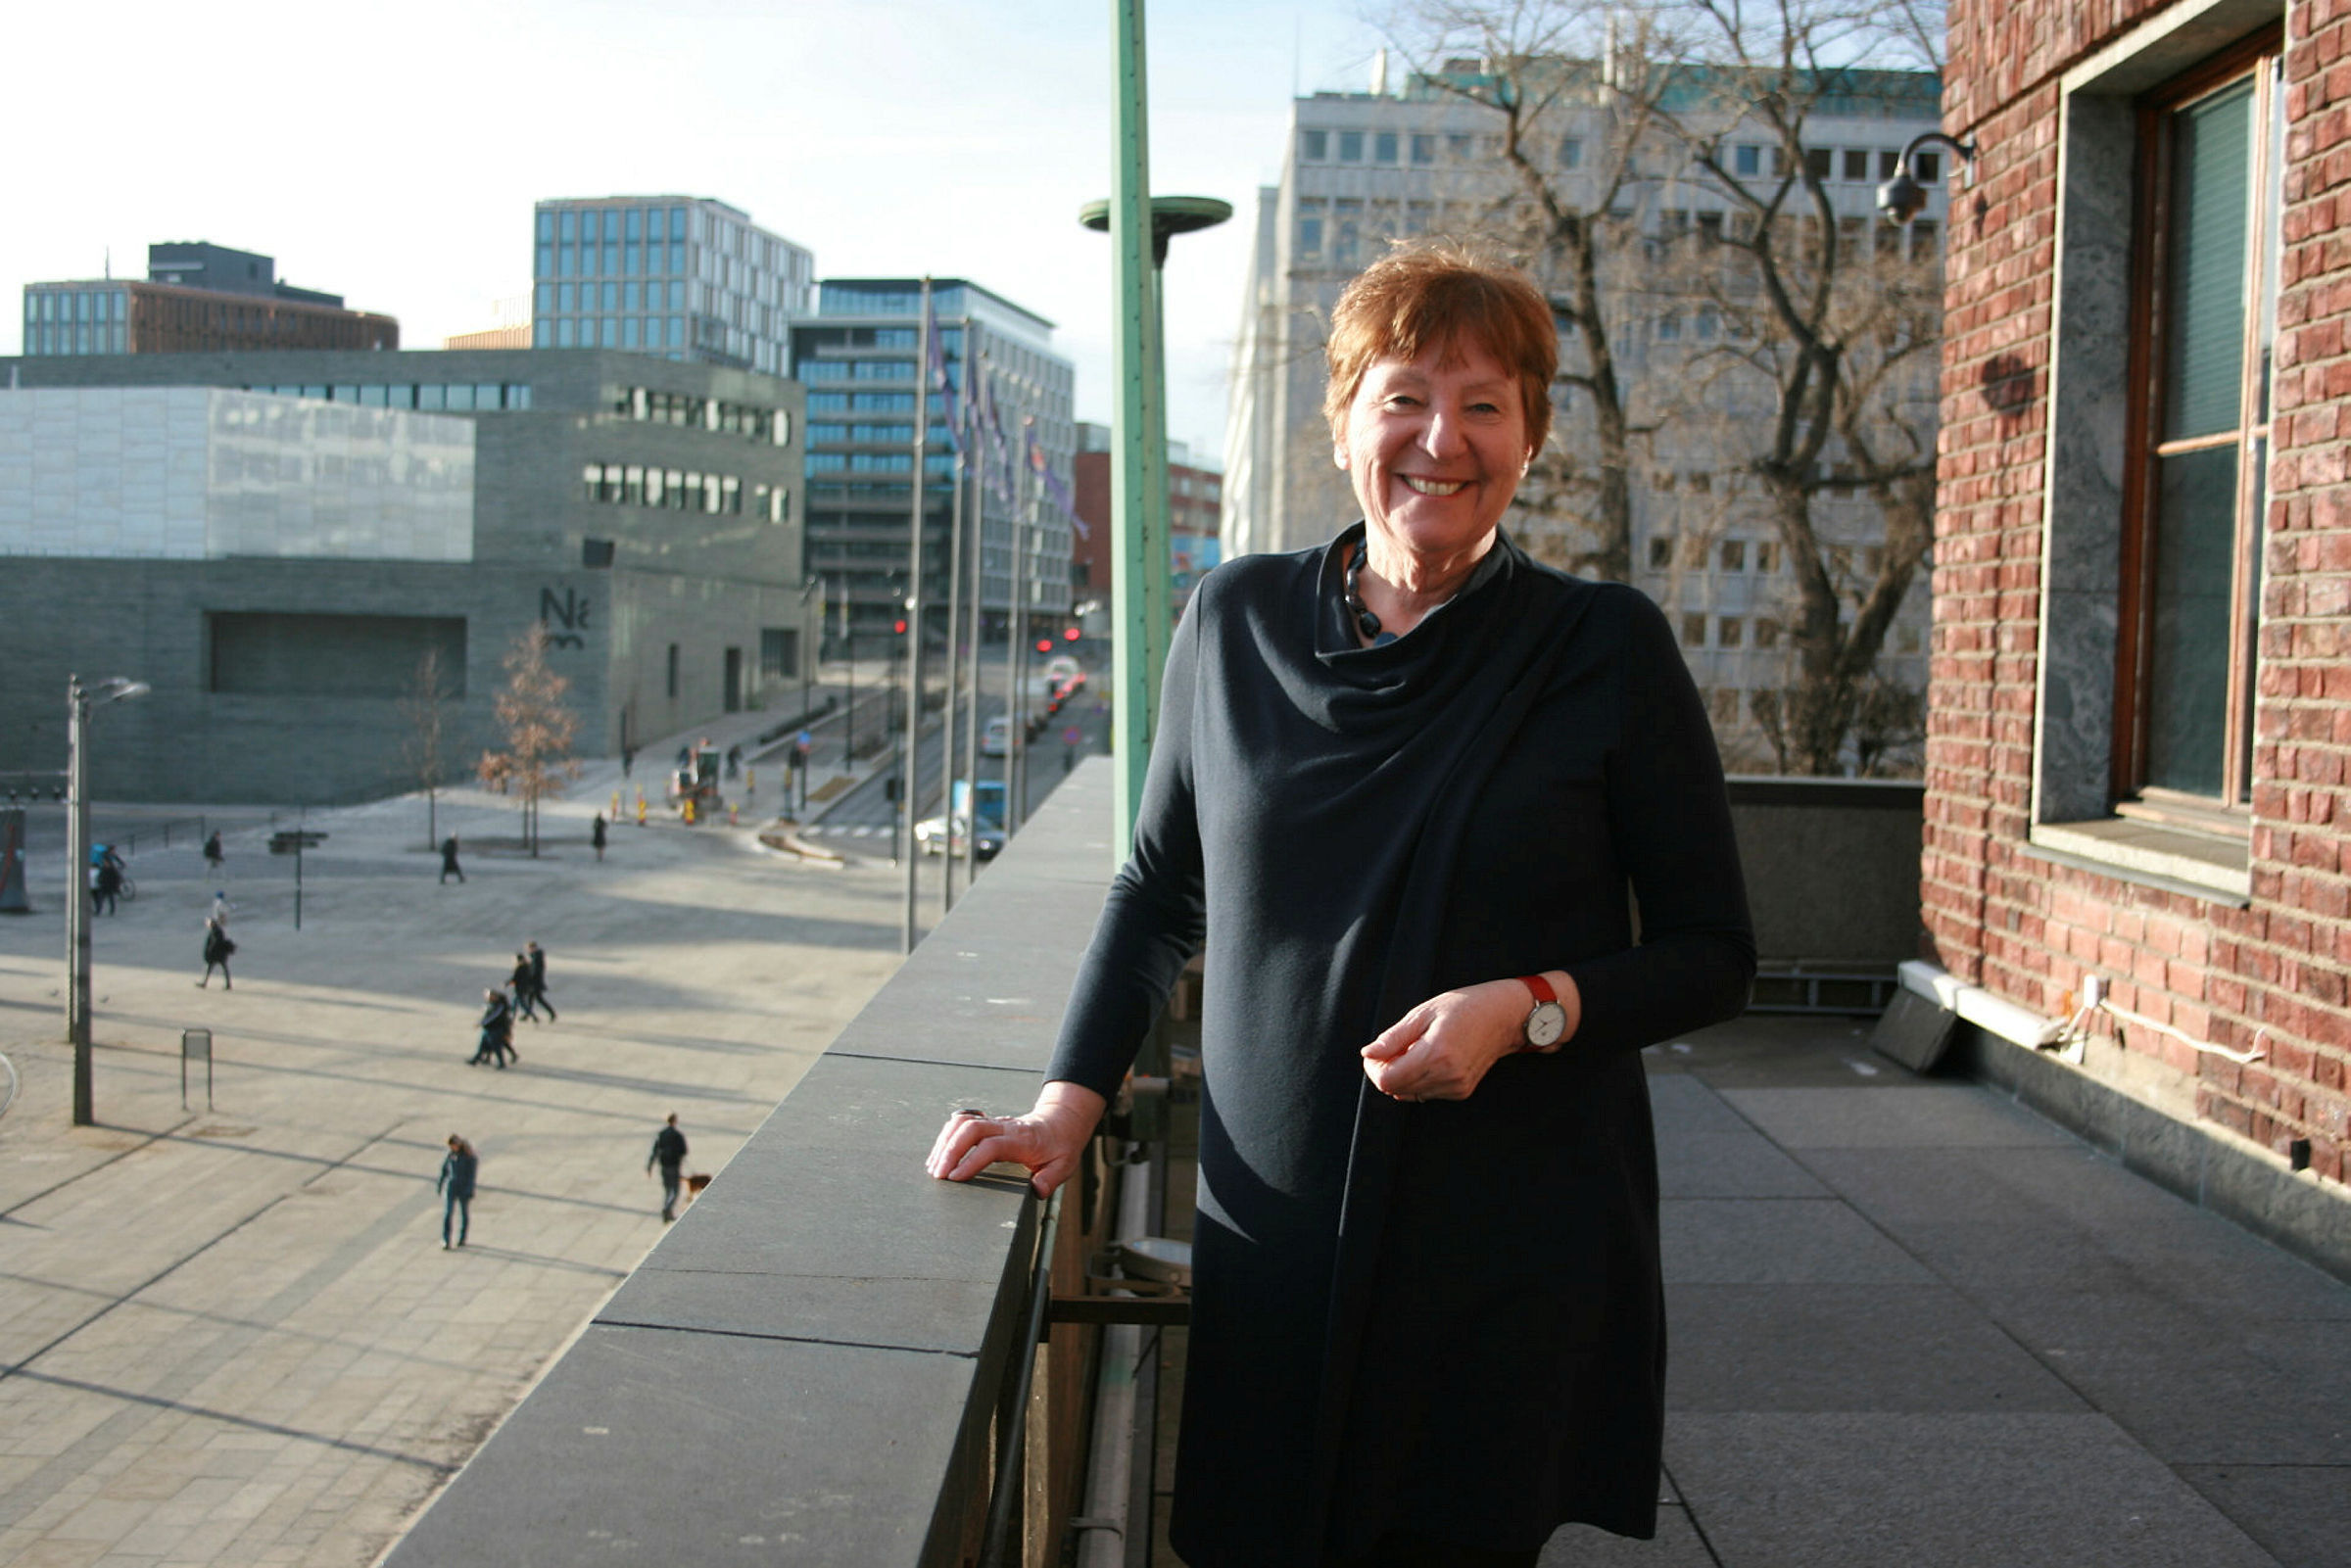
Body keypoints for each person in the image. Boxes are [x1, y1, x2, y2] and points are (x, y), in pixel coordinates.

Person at [926, 244, 1754, 1568]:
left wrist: (1528, 1009)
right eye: (1405, 396)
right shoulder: (1234, 619)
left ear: (1531, 437)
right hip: (1277, 1224)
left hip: (1505, 1236)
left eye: (1485, 404)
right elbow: (1159, 888)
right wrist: (1063, 1106)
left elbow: (1716, 954)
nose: (1443, 439)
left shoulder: (1604, 647)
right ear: (1343, 422)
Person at [437, 1134, 477, 1249]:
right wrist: (440, 1184)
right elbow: (444, 1171)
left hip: (463, 1188)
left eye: (453, 1146)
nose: (452, 1148)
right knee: (448, 1213)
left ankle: (462, 1238)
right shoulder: (450, 1155)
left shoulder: (469, 1157)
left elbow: (471, 1176)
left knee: (464, 1213)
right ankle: (446, 1239)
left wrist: (469, 1189)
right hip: (451, 1187)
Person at [648, 1113, 688, 1221]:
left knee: (667, 1190)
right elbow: (684, 1150)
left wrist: (649, 1166)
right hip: (674, 1165)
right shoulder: (677, 1135)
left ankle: (667, 1214)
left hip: (664, 1165)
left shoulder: (661, 1135)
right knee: (675, 1190)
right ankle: (667, 1208)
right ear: (675, 1121)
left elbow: (654, 1151)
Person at [470, 987, 515, 1067]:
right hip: (488, 1029)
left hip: (496, 1029)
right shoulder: (492, 1004)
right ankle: (476, 1060)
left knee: (496, 1046)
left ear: (494, 997)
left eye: (488, 996)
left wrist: (481, 1023)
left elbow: (492, 1017)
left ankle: (502, 1062)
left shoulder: (500, 1006)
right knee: (483, 1046)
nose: (486, 997)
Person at [198, 916, 235, 989]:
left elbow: (216, 942)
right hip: (220, 954)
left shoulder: (216, 931)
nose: (207, 924)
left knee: (211, 968)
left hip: (216, 954)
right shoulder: (217, 930)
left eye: (208, 923)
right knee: (222, 968)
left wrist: (210, 951)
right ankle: (228, 984)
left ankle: (205, 983)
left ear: (212, 923)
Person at [525, 940, 556, 1022]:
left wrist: (529, 978)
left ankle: (552, 1013)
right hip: (535, 982)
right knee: (530, 999)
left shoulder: (537, 957)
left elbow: (535, 971)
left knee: (538, 999)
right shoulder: (535, 957)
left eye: (529, 948)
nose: (528, 950)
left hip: (535, 983)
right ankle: (528, 1014)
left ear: (533, 948)